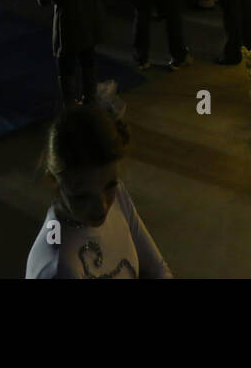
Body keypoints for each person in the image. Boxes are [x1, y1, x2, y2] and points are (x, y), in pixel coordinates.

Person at [26, 105, 171, 279]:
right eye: (82, 196)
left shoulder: (118, 196)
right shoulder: (59, 268)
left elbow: (158, 269)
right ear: (54, 180)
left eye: (109, 185)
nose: (101, 207)